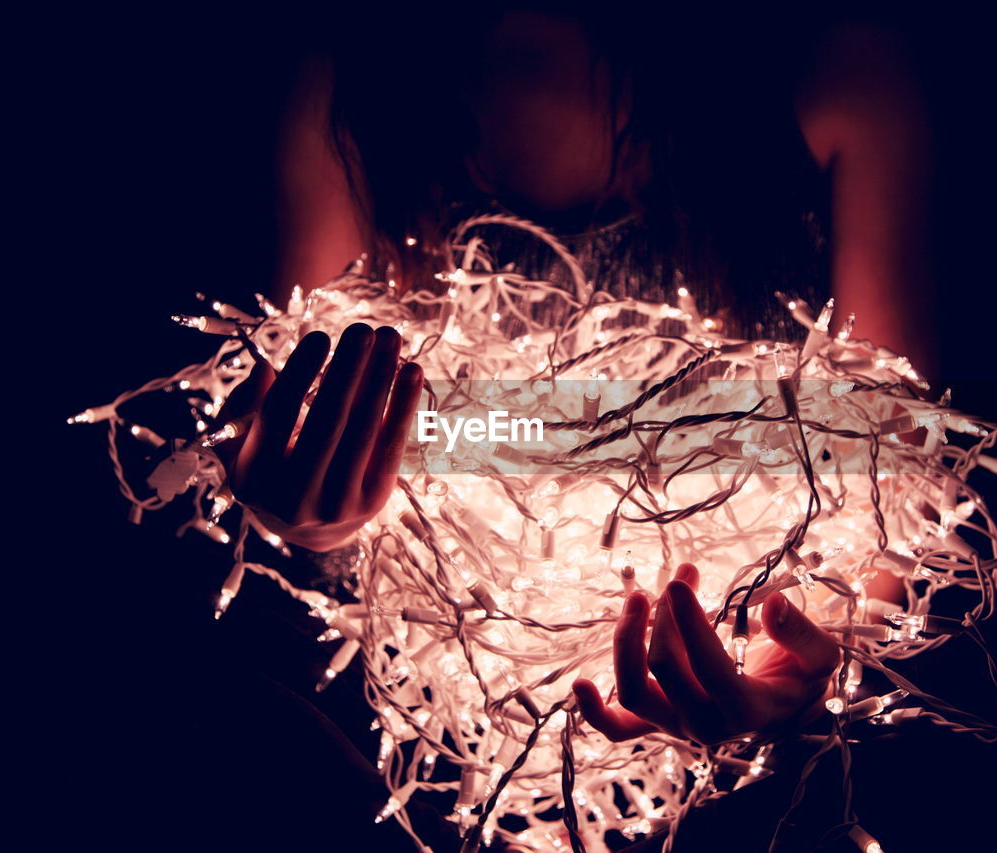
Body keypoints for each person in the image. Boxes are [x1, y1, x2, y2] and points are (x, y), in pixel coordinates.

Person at [221, 0, 931, 810]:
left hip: (758, 794)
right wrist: (308, 519)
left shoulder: (841, 64)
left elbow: (898, 480)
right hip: (425, 767)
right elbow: (298, 427)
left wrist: (818, 653)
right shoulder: (347, 86)